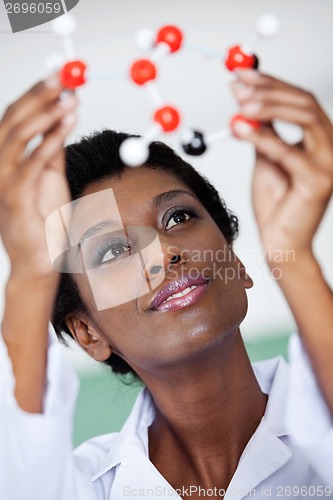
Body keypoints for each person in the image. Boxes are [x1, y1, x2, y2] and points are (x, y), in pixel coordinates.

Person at [0, 68, 333, 500]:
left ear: (235, 261)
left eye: (178, 217)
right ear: (88, 333)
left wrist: (295, 254)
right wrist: (29, 272)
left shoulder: (319, 416)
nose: (163, 253)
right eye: (113, 251)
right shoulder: (82, 487)